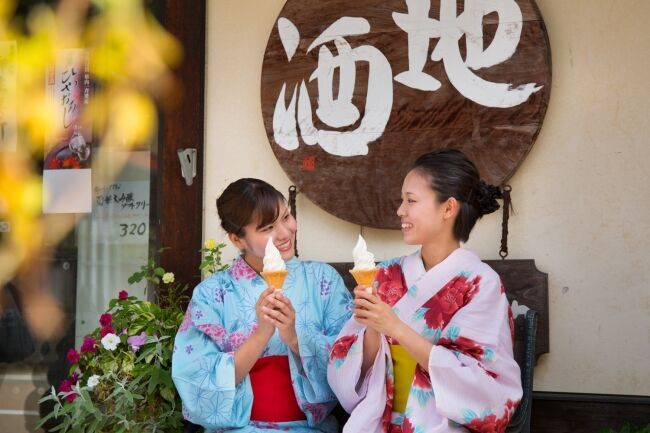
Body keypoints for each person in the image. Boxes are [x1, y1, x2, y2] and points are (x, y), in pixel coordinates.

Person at [327, 149, 522, 433]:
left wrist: (394, 327)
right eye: (401, 200)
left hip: (441, 424)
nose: (400, 211)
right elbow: (352, 368)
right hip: (380, 419)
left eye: (411, 201)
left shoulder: (481, 283)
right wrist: (372, 328)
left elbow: (485, 385)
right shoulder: (385, 275)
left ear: (448, 208)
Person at [172, 178, 352, 433]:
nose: (284, 232)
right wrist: (261, 333)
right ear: (237, 239)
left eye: (286, 217)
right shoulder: (211, 295)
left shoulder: (323, 281)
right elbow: (196, 380)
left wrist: (294, 338)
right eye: (268, 227)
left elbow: (351, 359)